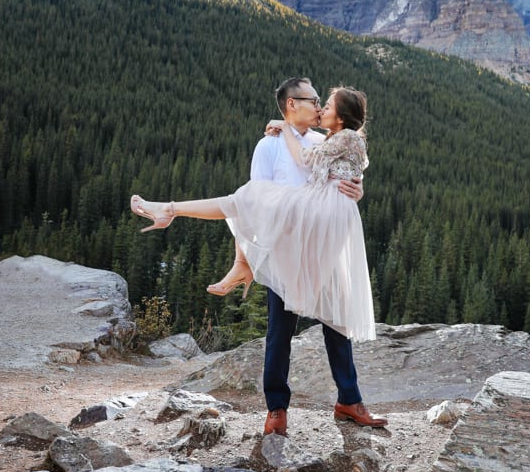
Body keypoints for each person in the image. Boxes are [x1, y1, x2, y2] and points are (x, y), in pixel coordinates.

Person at [131, 78, 387, 436]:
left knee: (337, 321)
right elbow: (253, 208)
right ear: (291, 105)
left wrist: (356, 189)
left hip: (321, 241)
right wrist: (245, 259)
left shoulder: (321, 139)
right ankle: (277, 408)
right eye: (313, 100)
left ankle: (349, 400)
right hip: (284, 249)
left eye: (322, 102)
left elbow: (347, 165)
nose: (318, 106)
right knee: (279, 331)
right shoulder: (268, 146)